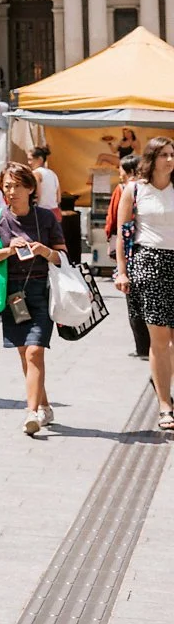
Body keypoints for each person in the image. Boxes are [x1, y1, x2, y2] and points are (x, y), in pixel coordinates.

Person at [0, 163, 66, 436]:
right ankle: (44, 405)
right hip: (13, 293)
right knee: (24, 352)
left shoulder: (46, 218)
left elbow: (64, 256)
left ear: (31, 188)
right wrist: (7, 250)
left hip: (41, 291)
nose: (12, 191)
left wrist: (44, 251)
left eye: (17, 185)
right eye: (7, 186)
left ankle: (32, 414)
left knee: (34, 351)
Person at [114, 135, 174, 431]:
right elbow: (123, 233)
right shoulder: (134, 190)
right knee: (160, 340)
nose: (170, 160)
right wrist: (121, 271)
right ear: (152, 159)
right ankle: (165, 405)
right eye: (164, 155)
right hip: (150, 263)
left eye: (172, 154)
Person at [106, 153, 149, 358]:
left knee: (134, 301)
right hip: (140, 249)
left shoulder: (125, 189)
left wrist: (110, 237)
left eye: (121, 169)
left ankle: (143, 347)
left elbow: (114, 218)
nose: (120, 173)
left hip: (130, 248)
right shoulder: (150, 189)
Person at [27, 144, 62, 214]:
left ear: (40, 159)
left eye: (30, 159)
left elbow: (37, 196)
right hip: (55, 212)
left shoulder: (36, 173)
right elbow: (58, 199)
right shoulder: (53, 174)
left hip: (42, 213)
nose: (29, 163)